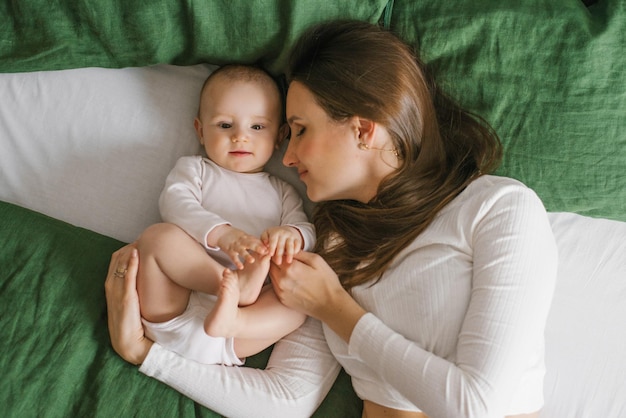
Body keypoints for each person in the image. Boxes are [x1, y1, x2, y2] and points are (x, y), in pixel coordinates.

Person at [105, 20, 557, 418]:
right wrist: (143, 352)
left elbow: (479, 406)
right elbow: (285, 400)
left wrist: (334, 309)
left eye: (300, 129)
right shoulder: (333, 245)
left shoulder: (498, 209)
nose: (288, 154)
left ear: (363, 128)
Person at [134, 64, 315, 366]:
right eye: (224, 125)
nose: (240, 137)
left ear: (281, 136)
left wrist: (293, 235)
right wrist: (222, 234)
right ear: (200, 131)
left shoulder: (283, 192)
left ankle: (235, 315)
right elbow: (175, 204)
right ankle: (233, 285)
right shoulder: (196, 170)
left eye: (257, 127)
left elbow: (307, 230)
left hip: (235, 332)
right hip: (173, 306)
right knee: (157, 238)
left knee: (301, 301)